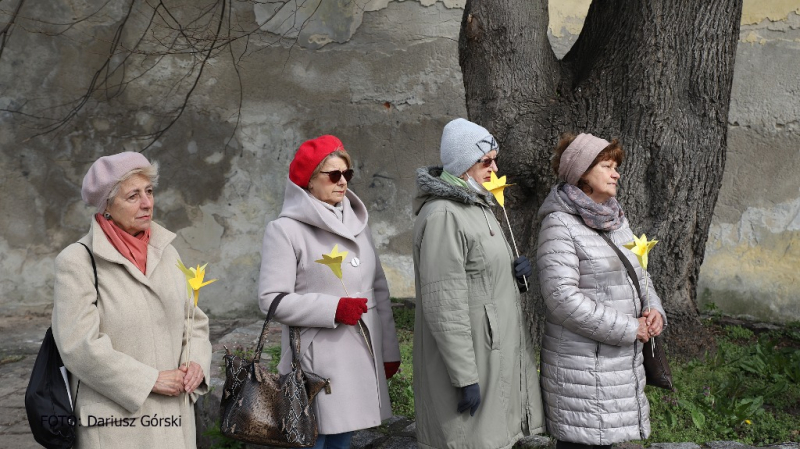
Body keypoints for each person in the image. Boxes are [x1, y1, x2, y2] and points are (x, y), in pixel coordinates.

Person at [52, 152, 212, 449]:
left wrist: (196, 363)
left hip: (174, 421)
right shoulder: (77, 262)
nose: (147, 203)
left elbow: (195, 320)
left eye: (149, 192)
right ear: (107, 205)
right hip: (117, 424)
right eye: (133, 196)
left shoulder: (167, 252)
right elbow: (78, 346)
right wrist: (149, 380)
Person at [258, 135, 401, 449]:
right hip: (316, 362)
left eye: (347, 174)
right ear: (309, 181)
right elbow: (271, 299)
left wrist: (389, 352)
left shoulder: (360, 225)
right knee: (314, 440)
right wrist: (332, 309)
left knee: (342, 440)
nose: (342, 182)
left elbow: (379, 292)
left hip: (360, 355)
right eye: (333, 175)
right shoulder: (285, 230)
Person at [412, 118, 545, 449]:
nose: (494, 168)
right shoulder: (445, 215)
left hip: (491, 354)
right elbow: (445, 304)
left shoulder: (478, 206)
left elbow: (479, 278)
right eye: (486, 161)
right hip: (472, 361)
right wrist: (465, 377)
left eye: (494, 159)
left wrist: (512, 274)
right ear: (462, 165)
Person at [536, 133, 667, 448]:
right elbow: (562, 300)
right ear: (582, 173)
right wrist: (628, 327)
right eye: (607, 166)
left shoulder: (615, 219)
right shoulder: (559, 225)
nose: (616, 173)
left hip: (616, 365)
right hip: (582, 368)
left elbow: (639, 274)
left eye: (615, 166)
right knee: (581, 440)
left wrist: (654, 312)